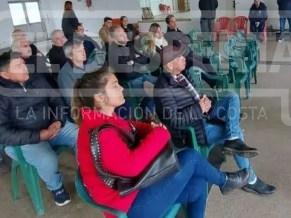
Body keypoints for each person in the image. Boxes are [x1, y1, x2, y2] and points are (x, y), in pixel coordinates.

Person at [74, 68, 250, 218]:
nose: (121, 88)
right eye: (115, 85)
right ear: (99, 97)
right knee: (190, 157)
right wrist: (159, 133)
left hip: (132, 189)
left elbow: (129, 127)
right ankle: (225, 181)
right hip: (129, 205)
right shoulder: (100, 132)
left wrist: (149, 128)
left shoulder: (100, 118)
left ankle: (225, 182)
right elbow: (132, 166)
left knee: (198, 186)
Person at [154, 44, 276, 196]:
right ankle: (250, 180)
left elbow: (196, 96)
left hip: (204, 114)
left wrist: (206, 101)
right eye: (180, 57)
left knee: (232, 97)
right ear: (170, 64)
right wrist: (199, 108)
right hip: (194, 128)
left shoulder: (183, 75)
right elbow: (174, 120)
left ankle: (233, 138)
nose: (184, 58)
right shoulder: (163, 88)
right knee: (237, 133)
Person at [0, 51, 78, 206]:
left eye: (23, 63)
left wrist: (58, 121)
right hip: (25, 140)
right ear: (5, 74)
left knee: (83, 136)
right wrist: (38, 136)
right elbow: (3, 133)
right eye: (18, 66)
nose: (24, 68)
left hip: (53, 127)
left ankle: (88, 175)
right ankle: (56, 187)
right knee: (47, 160)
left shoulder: (37, 79)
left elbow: (56, 101)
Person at [57, 39, 102, 106]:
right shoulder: (65, 75)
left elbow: (103, 79)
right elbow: (71, 100)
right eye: (79, 51)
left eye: (83, 49)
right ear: (70, 56)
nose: (83, 52)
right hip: (86, 107)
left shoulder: (91, 63)